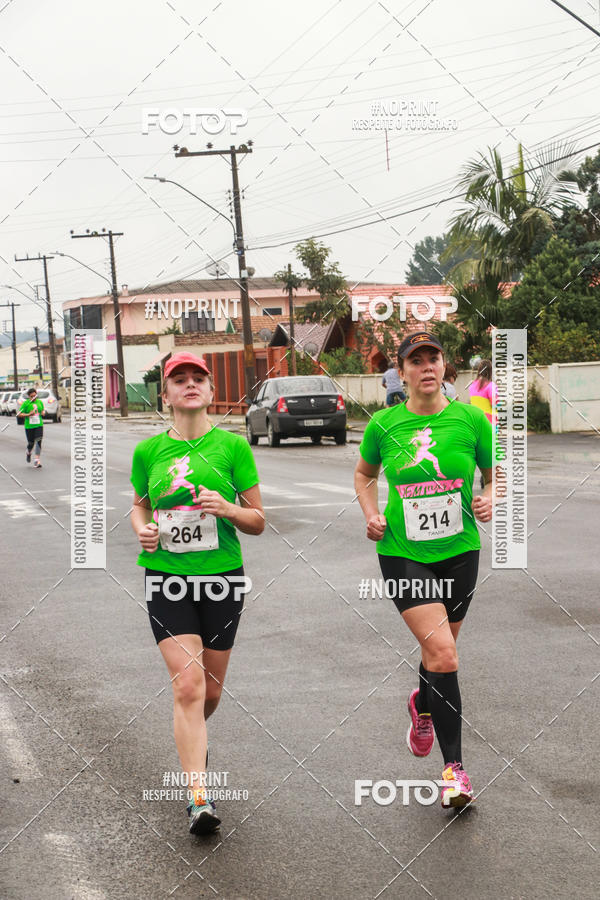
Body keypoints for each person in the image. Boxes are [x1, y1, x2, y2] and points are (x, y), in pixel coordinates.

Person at [354, 332, 493, 809]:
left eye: (434, 357)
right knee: (444, 653)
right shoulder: (384, 425)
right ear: (403, 372)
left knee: (441, 652)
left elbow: (495, 473)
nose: (427, 366)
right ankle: (454, 771)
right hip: (402, 551)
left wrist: (490, 495)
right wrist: (370, 513)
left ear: (444, 366)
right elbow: (363, 474)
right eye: (417, 360)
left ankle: (421, 702)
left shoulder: (471, 420)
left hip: (460, 549)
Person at [130, 352, 265, 835]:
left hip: (222, 579)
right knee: (187, 685)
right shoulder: (149, 453)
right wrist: (144, 530)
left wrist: (228, 508)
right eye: (178, 380)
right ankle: (199, 799)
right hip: (166, 579)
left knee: (208, 693)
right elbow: (139, 509)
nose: (189, 385)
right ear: (165, 395)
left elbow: (258, 522)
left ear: (210, 391)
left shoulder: (232, 448)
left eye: (197, 379)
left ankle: (194, 733)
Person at [18, 387, 44, 467]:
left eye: (35, 396)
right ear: (29, 396)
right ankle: (28, 452)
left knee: (38, 441)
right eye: (32, 396)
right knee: (31, 443)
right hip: (29, 426)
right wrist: (28, 414)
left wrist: (43, 412)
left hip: (39, 425)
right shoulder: (26, 404)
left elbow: (42, 410)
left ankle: (36, 460)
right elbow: (19, 414)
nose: (34, 397)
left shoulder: (40, 402)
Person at [468, 359, 497, 424]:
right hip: (489, 422)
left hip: (475, 421)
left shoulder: (472, 386)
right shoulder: (491, 386)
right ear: (490, 371)